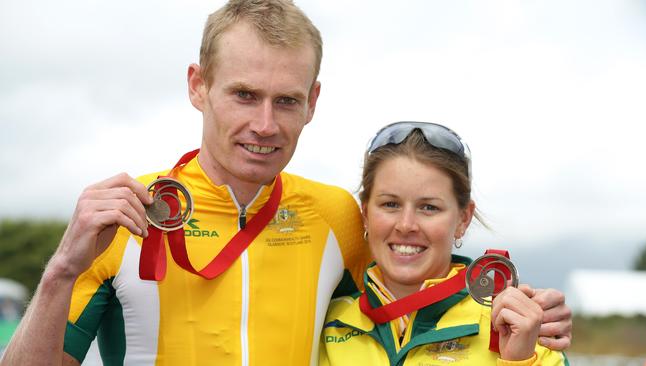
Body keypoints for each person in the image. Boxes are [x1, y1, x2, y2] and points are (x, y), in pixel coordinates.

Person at [1, 2, 571, 365]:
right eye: (244, 95)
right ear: (198, 85)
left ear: (313, 102)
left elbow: (419, 259)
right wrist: (60, 272)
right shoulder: (126, 214)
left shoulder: (336, 215)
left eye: (287, 101)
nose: (265, 125)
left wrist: (522, 305)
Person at [319, 122, 568, 365]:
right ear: (366, 214)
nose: (406, 225)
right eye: (390, 204)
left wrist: (518, 362)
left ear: (463, 219)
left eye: (429, 207)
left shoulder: (518, 328)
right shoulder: (324, 323)